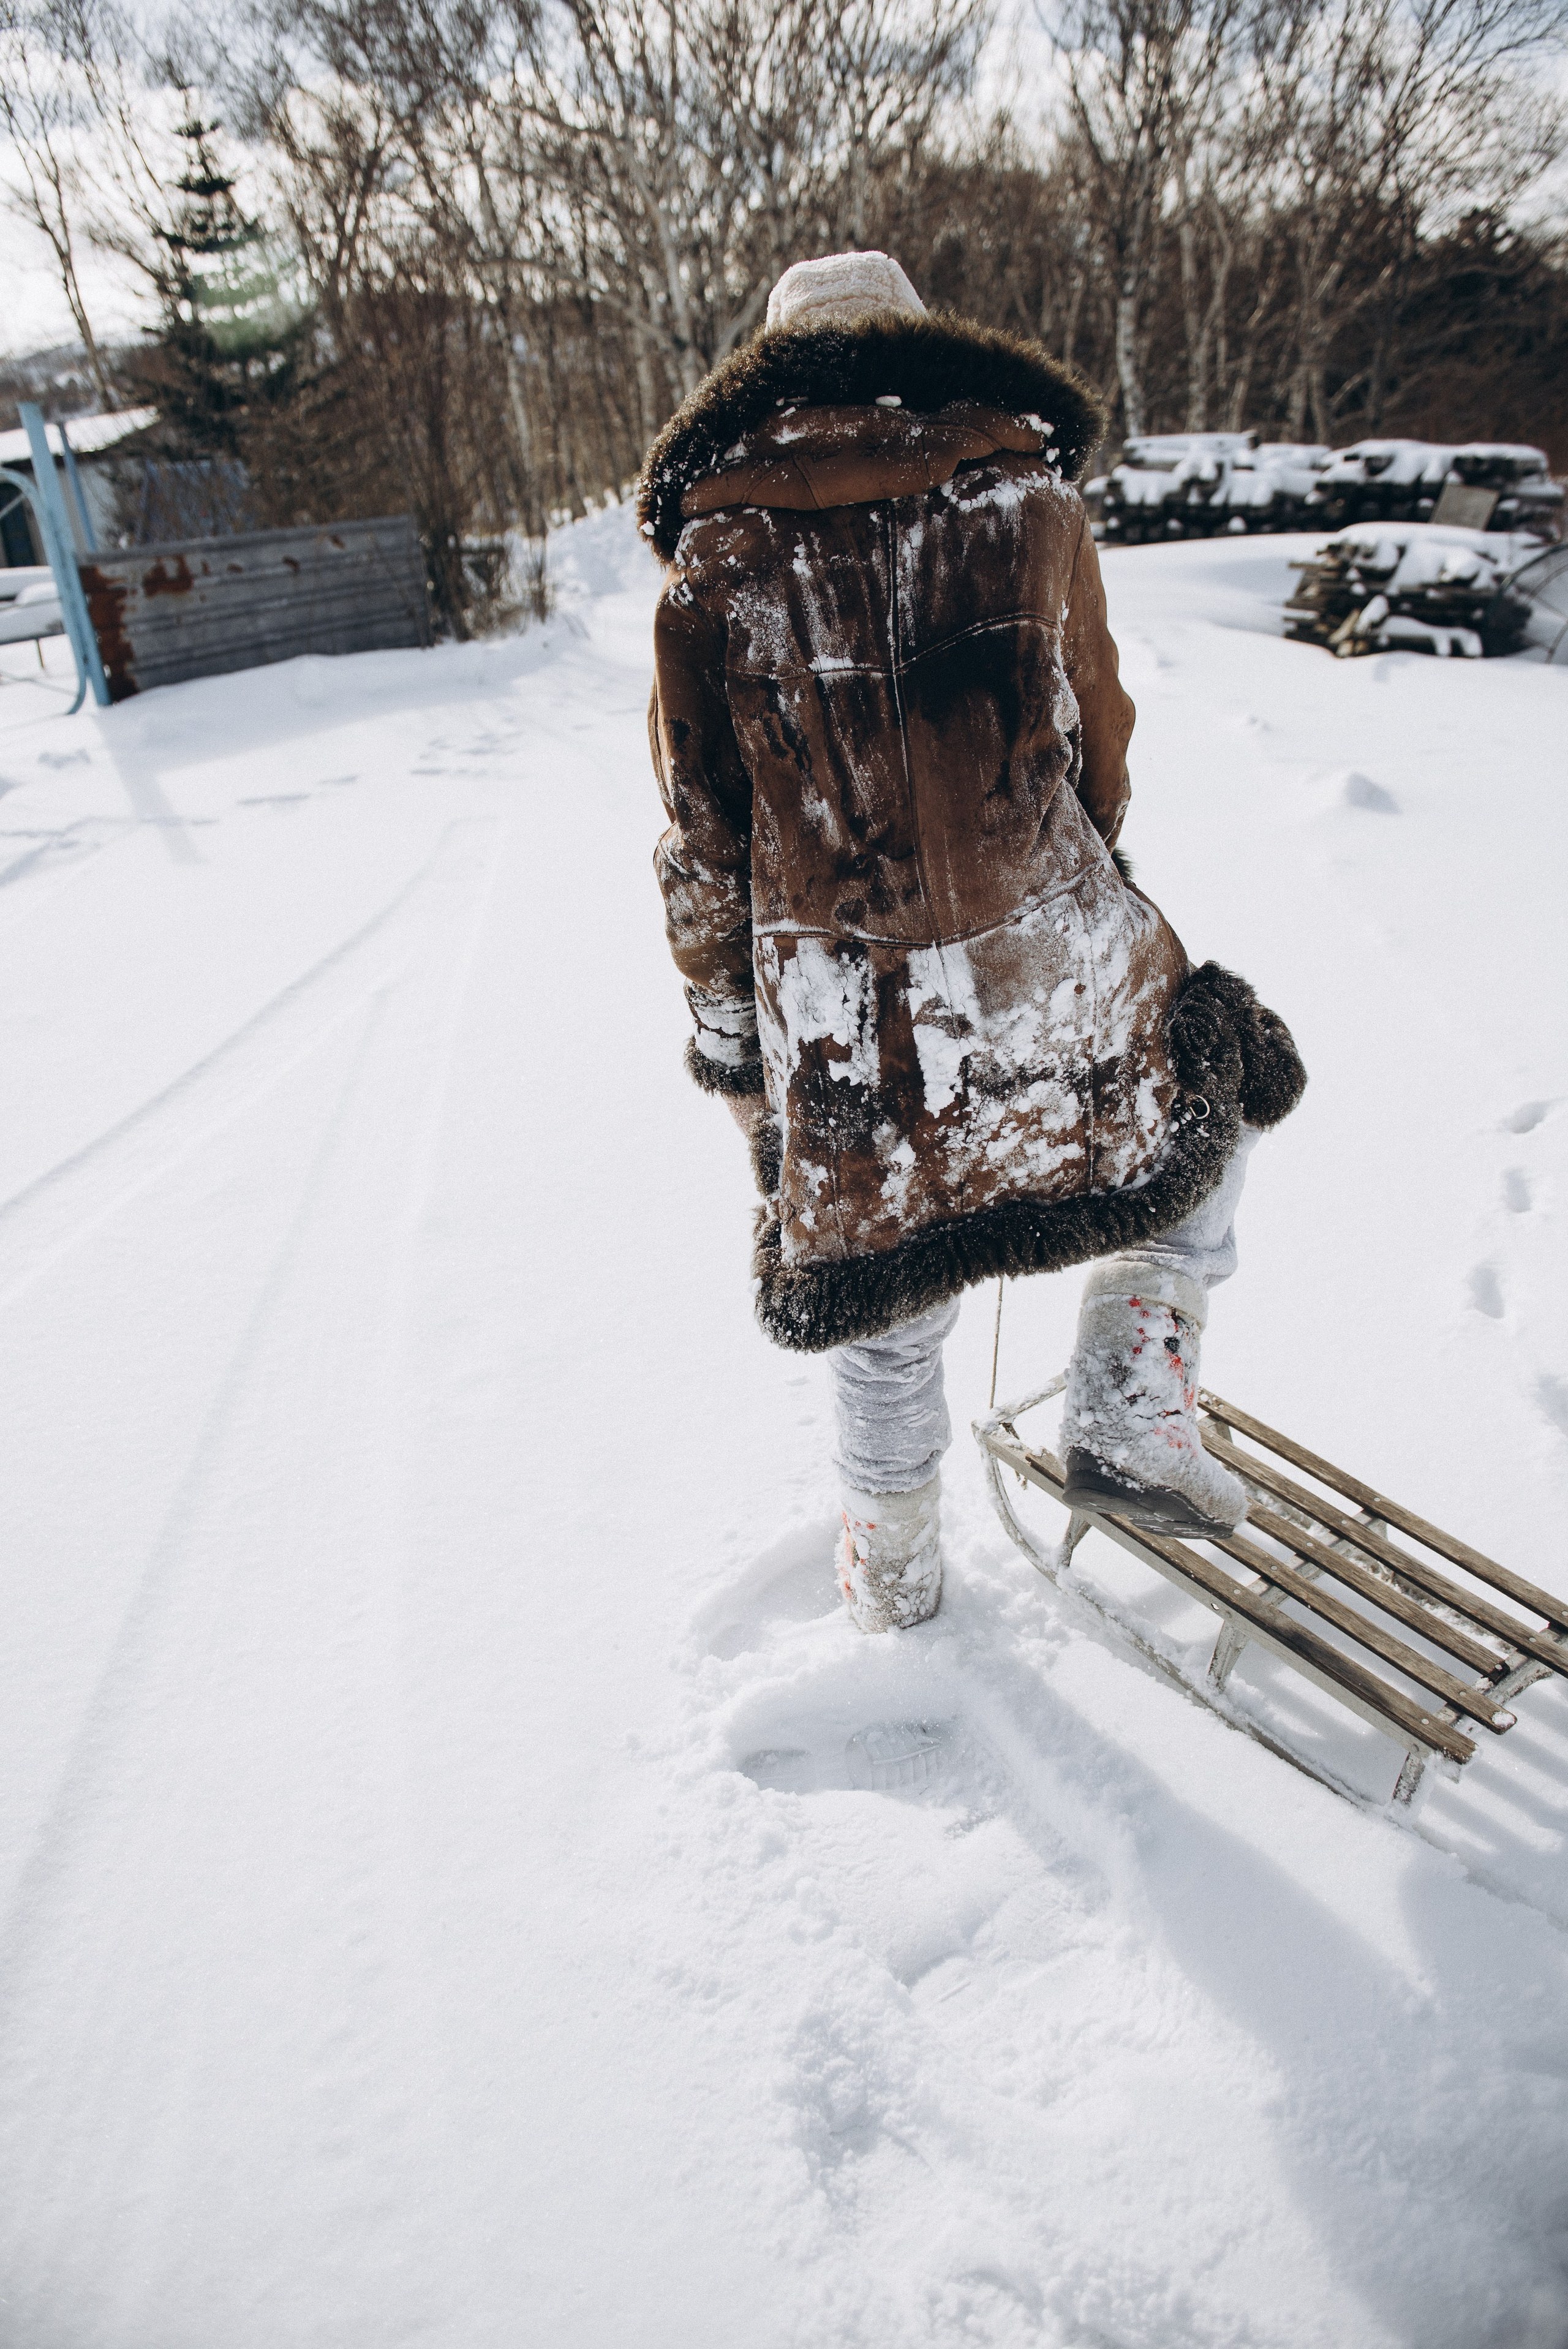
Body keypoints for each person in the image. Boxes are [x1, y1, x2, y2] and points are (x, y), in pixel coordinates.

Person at [641, 252, 1305, 1634]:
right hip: (1040, 941)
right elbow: (1096, 743)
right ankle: (1131, 1393)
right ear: (922, 346)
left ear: (766, 386)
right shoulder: (1027, 507)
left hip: (835, 997)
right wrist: (1065, 876)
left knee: (880, 1267)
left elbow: (703, 836)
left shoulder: (712, 568)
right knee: (1204, 1092)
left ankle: (889, 1571)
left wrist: (727, 1043)